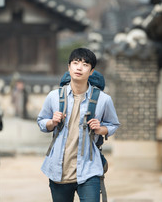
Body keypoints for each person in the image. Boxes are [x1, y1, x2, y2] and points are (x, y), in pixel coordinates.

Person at [37, 48, 120, 202]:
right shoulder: (54, 97)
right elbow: (41, 122)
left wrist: (101, 129)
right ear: (69, 67)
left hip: (89, 170)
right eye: (75, 63)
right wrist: (52, 122)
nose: (79, 67)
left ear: (91, 71)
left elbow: (114, 124)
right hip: (59, 171)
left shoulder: (103, 99)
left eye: (85, 64)